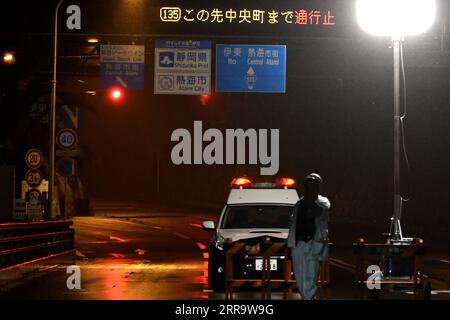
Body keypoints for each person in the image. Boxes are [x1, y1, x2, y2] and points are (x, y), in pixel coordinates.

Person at [287, 173, 331, 300]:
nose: (309, 188)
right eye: (308, 186)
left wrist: (311, 200)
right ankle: (307, 298)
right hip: (299, 244)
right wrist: (290, 244)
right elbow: (293, 224)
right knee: (300, 277)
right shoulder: (298, 203)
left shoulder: (323, 202)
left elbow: (320, 214)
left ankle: (309, 298)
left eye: (312, 186)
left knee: (311, 276)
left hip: (314, 244)